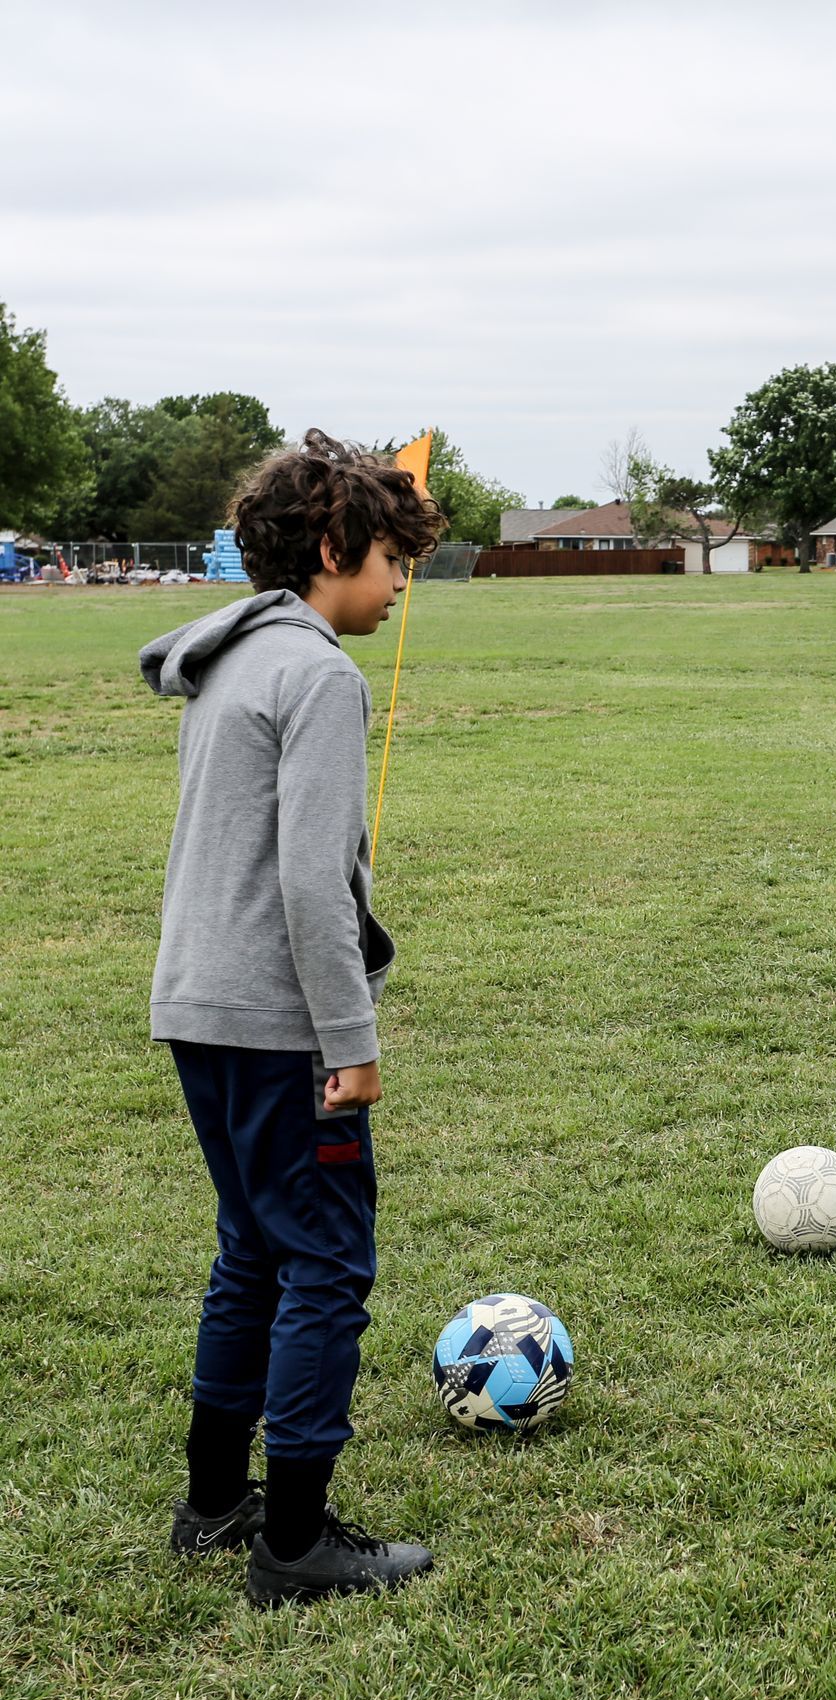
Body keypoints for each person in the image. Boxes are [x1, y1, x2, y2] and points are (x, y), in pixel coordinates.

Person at [141, 429, 443, 1606]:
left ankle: (216, 1505)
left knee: (250, 1252)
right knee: (326, 1262)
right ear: (333, 548)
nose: (403, 585)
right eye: (392, 561)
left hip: (198, 1007)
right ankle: (297, 1545)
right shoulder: (317, 673)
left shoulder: (227, 661)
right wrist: (352, 1044)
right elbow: (314, 883)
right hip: (278, 1025)